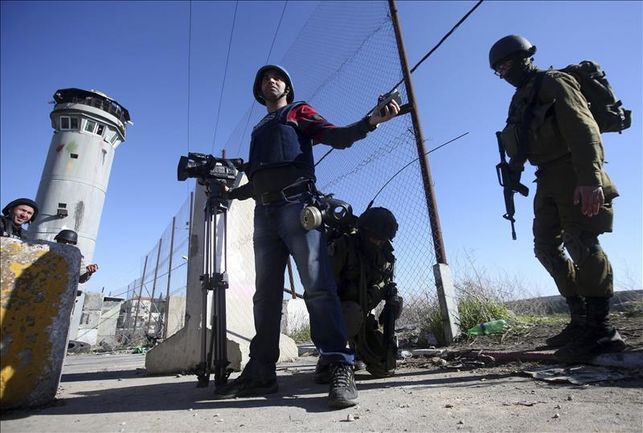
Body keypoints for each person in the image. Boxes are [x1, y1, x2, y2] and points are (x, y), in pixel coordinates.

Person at [213, 64, 399, 408]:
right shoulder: (259, 129)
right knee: (265, 296)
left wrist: (371, 121)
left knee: (318, 288)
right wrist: (231, 194)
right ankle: (261, 371)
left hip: (297, 207)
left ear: (287, 87)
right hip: (264, 214)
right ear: (258, 91)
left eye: (277, 77)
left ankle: (339, 364)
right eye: (264, 79)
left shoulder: (298, 112)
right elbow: (257, 180)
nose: (270, 81)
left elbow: (336, 136)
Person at [489, 35, 625, 363]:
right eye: (498, 70)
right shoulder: (520, 99)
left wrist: (590, 179)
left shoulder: (554, 82)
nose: (503, 73)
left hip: (573, 171)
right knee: (545, 247)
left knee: (581, 241)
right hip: (546, 177)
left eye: (505, 65)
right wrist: (514, 170)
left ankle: (601, 330)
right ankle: (580, 320)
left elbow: (583, 128)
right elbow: (524, 140)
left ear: (523, 58)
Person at [314, 206, 402, 383]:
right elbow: (321, 288)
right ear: (362, 231)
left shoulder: (386, 258)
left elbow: (386, 284)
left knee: (383, 365)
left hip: (363, 314)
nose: (378, 243)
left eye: (383, 239)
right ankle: (329, 359)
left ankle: (356, 353)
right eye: (374, 237)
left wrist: (391, 300)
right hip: (338, 313)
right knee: (351, 312)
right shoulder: (344, 246)